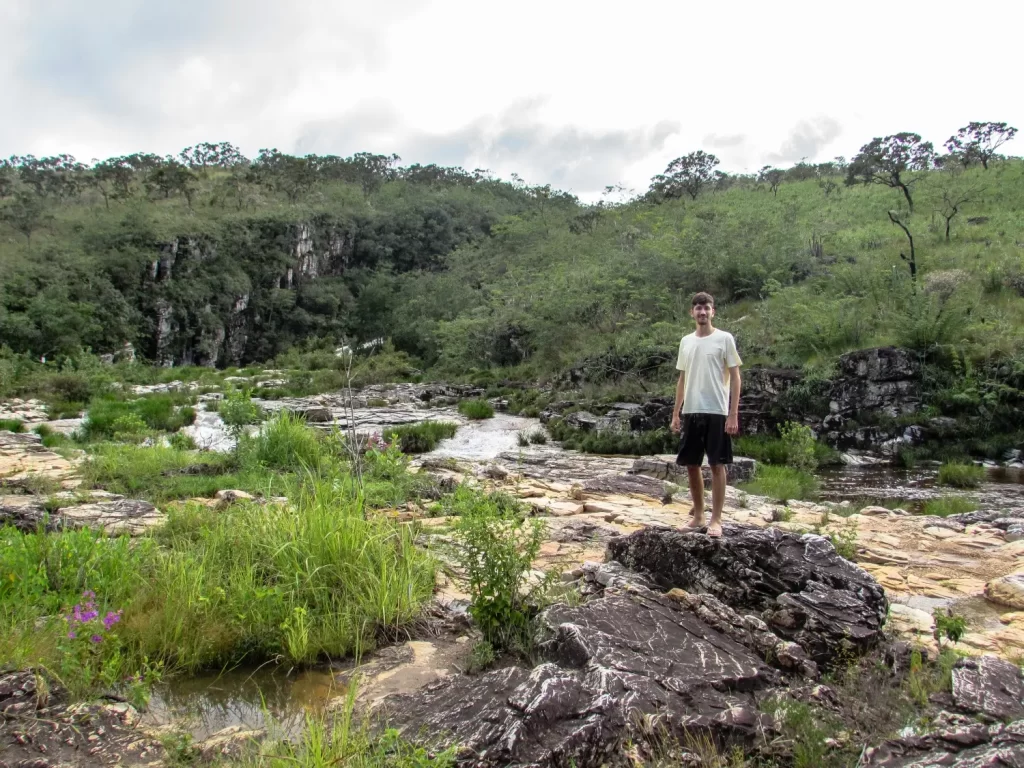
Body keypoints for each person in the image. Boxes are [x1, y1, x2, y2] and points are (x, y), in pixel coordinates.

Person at [670, 292, 742, 538]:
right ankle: (699, 516)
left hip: (717, 411)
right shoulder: (686, 341)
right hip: (691, 410)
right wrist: (676, 413)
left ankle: (716, 519)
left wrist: (733, 414)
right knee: (692, 465)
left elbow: (735, 377)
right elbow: (682, 379)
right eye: (698, 308)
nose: (702, 312)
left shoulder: (724, 339)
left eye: (706, 308)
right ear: (692, 313)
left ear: (713, 312)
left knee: (717, 464)